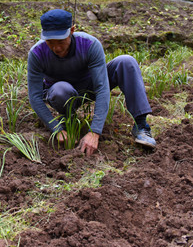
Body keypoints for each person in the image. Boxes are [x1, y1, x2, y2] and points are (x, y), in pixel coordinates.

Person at [27, 9, 156, 156]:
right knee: (60, 90)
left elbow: (102, 87)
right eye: (50, 42)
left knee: (126, 62)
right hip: (59, 92)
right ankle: (67, 119)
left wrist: (95, 131)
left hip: (89, 87)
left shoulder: (89, 45)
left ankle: (141, 125)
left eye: (61, 41)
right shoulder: (37, 53)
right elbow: (35, 96)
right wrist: (56, 129)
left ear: (72, 31)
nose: (56, 48)